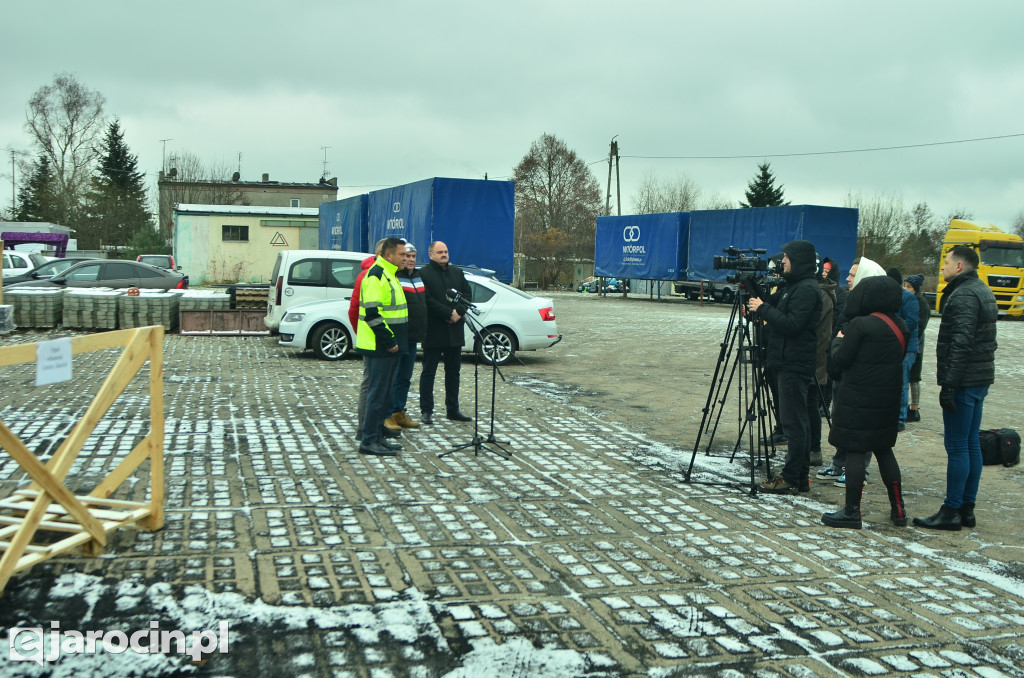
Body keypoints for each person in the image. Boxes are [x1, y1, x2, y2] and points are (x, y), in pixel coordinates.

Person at [914, 245, 998, 531]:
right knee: (971, 442)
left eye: (946, 262)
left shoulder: (963, 295)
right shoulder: (982, 290)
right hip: (978, 378)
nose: (943, 267)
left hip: (964, 380)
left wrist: (949, 384)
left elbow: (960, 343)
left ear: (959, 266)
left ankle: (951, 509)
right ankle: (966, 508)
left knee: (958, 445)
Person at [821, 275, 910, 529]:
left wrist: (838, 341)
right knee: (884, 450)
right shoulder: (900, 326)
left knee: (856, 451)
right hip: (887, 399)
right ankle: (899, 509)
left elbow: (838, 364)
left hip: (858, 400)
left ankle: (852, 511)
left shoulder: (860, 325)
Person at [747, 240, 822, 494]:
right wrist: (754, 295)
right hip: (785, 360)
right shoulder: (793, 286)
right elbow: (769, 303)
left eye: (787, 257)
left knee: (793, 423)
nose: (783, 262)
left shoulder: (807, 289)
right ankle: (800, 477)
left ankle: (791, 477)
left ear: (798, 260)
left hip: (794, 363)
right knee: (796, 421)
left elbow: (792, 324)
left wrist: (762, 309)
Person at [817, 256, 887, 485]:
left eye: (853, 275)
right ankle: (839, 464)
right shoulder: (851, 300)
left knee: (859, 425)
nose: (847, 278)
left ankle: (858, 470)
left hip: (860, 377)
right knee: (840, 421)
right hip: (843, 371)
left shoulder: (872, 309)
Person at [355, 238, 409, 457]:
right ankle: (368, 440)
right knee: (377, 395)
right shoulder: (376, 275)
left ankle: (377, 436)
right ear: (389, 255)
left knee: (385, 394)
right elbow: (372, 314)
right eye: (402, 254)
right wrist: (389, 341)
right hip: (379, 346)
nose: (405, 258)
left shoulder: (390, 274)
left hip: (389, 346)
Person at [419, 241, 473, 424]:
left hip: (454, 331)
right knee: (429, 372)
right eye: (440, 252)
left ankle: (453, 409)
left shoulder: (457, 272)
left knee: (453, 373)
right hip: (434, 330)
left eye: (446, 252)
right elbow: (427, 299)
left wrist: (458, 312)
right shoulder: (423, 274)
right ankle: (426, 410)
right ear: (431, 255)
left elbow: (467, 294)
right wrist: (447, 314)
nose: (444, 254)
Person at [385, 244, 426, 430]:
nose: (410, 259)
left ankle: (399, 411)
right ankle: (387, 414)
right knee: (392, 377)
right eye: (407, 256)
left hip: (413, 336)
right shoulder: (395, 276)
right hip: (398, 335)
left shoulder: (417, 276)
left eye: (413, 256)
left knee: (405, 377)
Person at [807, 258, 837, 467]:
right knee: (807, 404)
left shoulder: (822, 294)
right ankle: (808, 446)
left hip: (815, 358)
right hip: (812, 356)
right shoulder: (819, 291)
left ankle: (814, 448)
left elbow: (806, 322)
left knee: (810, 404)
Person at [887, 267, 919, 431]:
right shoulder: (888, 296)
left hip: (907, 347)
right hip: (892, 345)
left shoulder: (908, 298)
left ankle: (900, 418)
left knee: (902, 381)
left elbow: (911, 322)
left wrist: (891, 331)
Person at [902, 274, 930, 422]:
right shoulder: (906, 300)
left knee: (914, 377)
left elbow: (920, 326)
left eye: (909, 287)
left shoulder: (921, 303)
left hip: (915, 342)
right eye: (904, 286)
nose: (905, 289)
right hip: (908, 341)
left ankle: (914, 408)